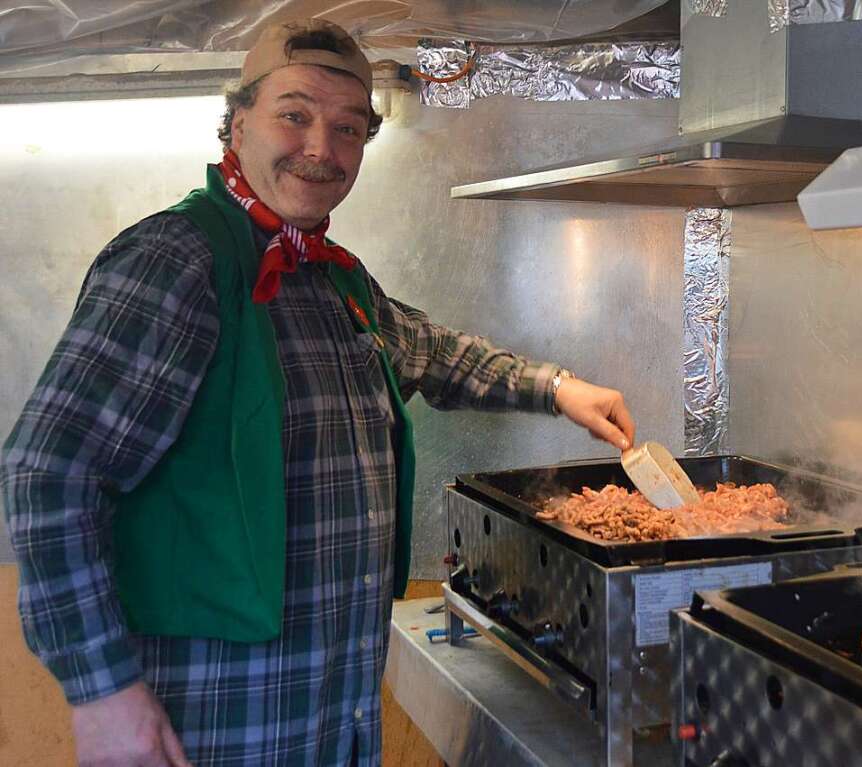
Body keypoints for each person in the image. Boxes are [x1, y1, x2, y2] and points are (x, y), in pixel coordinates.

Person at [0, 18, 635, 767]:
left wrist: (557, 388)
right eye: (294, 114)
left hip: (326, 709)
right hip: (214, 718)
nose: (321, 148)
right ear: (236, 123)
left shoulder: (327, 273)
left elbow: (431, 352)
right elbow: (48, 474)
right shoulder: (178, 260)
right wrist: (101, 693)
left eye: (347, 128)